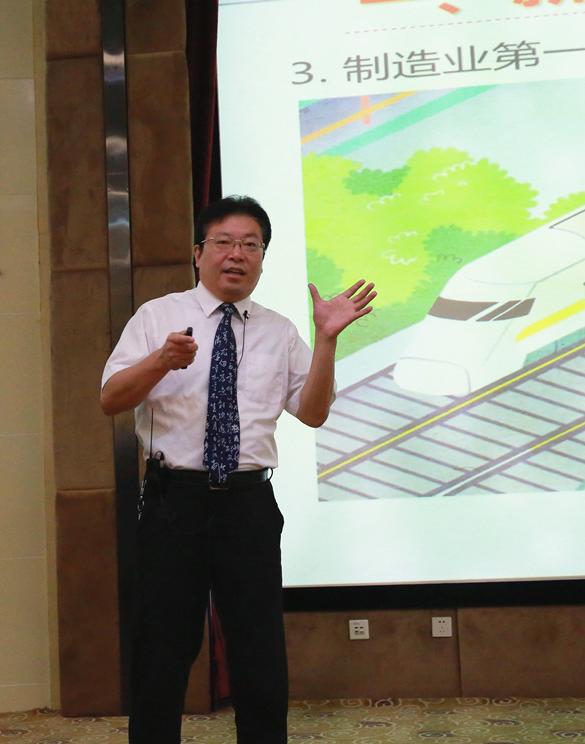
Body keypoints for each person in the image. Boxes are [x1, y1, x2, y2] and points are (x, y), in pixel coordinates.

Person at [100, 195, 376, 744]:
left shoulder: (280, 330)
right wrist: (161, 360)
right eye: (224, 242)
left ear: (262, 258)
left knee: (259, 651)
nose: (237, 255)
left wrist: (326, 341)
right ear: (198, 253)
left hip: (248, 505)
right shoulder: (158, 316)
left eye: (251, 245)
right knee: (162, 651)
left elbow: (313, 412)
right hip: (174, 501)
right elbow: (111, 398)